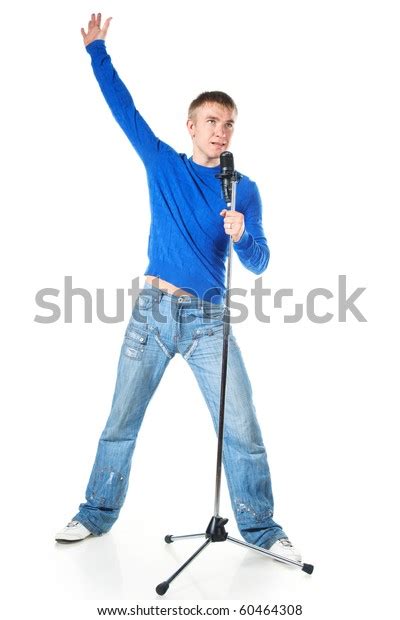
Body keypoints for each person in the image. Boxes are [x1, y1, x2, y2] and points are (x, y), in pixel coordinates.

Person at [55, 13, 301, 562]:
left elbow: (259, 261)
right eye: (213, 120)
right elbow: (125, 111)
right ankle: (95, 513)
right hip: (153, 314)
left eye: (230, 123)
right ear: (192, 126)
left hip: (210, 321)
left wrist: (241, 234)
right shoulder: (163, 164)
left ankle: (261, 530)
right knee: (122, 417)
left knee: (242, 423)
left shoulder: (245, 189)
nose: (222, 130)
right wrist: (99, 52)